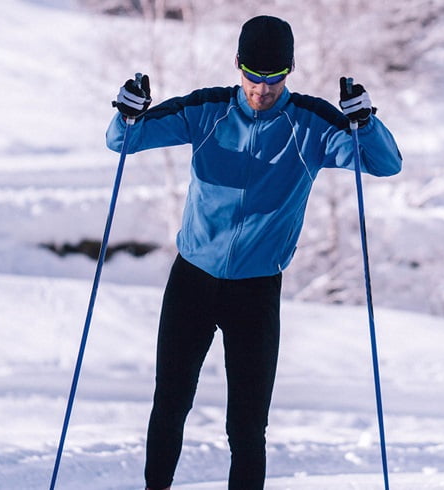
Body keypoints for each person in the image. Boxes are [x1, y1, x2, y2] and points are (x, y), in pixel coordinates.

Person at [106, 15, 403, 490]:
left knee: (246, 427)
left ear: (289, 71)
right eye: (253, 75)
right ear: (238, 66)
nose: (262, 89)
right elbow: (125, 141)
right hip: (192, 281)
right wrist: (129, 112)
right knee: (170, 405)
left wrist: (365, 123)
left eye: (274, 77)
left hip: (256, 292)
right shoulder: (207, 110)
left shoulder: (311, 123)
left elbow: (384, 163)